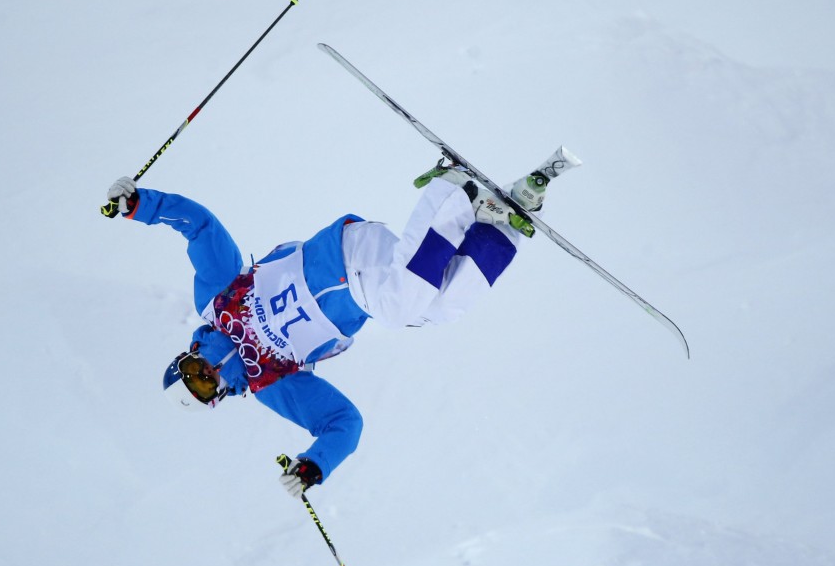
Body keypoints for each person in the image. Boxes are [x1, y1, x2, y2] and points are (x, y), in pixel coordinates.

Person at [105, 147, 579, 497]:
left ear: (187, 356)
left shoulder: (217, 301)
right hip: (364, 290)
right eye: (203, 388)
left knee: (400, 307)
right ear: (218, 397)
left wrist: (141, 205)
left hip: (340, 256)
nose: (206, 375)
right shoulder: (268, 383)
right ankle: (500, 229)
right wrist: (315, 465)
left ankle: (451, 191)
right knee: (433, 311)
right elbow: (343, 423)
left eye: (192, 373)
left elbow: (202, 226)